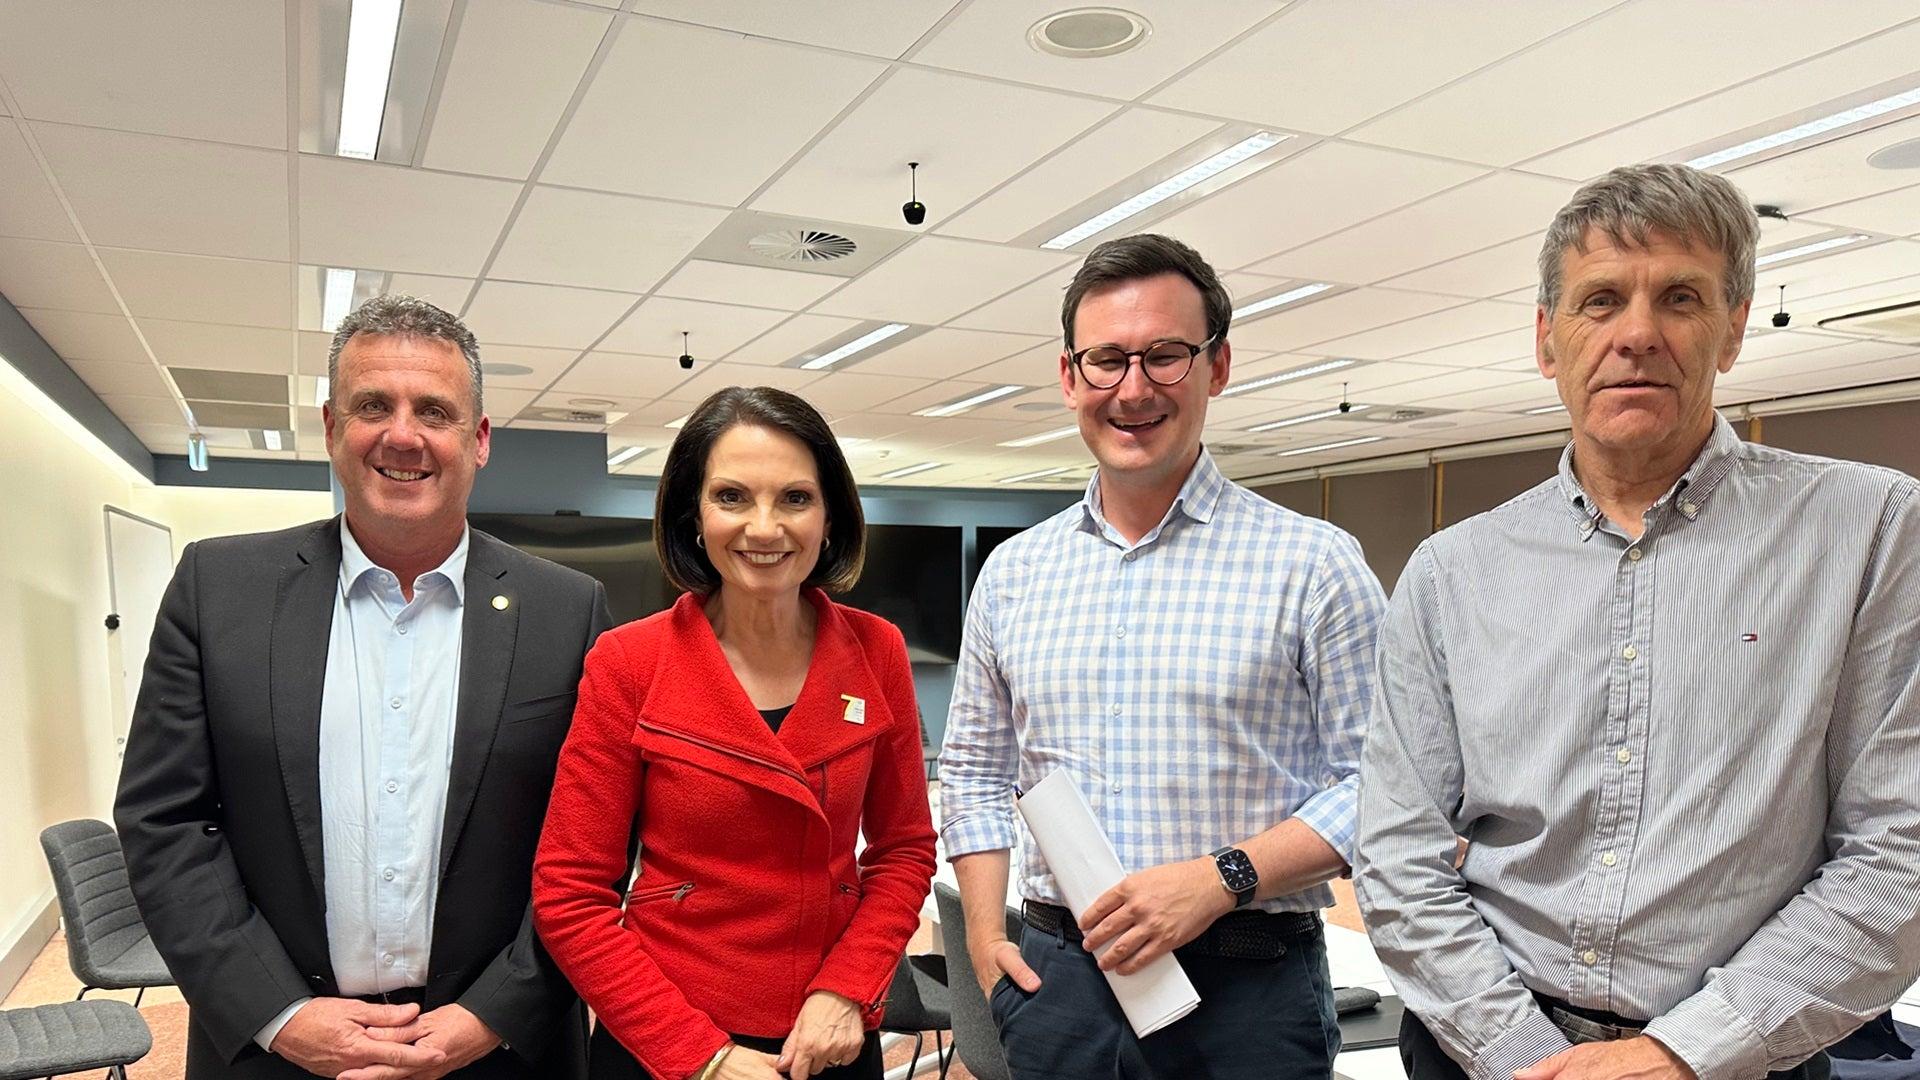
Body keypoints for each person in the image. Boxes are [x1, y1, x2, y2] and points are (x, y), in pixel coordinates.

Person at [1353, 163, 1920, 1080]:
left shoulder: (1871, 529)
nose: (1638, 334)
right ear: (1548, 340)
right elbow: (1397, 854)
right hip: (1480, 1053)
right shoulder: (1452, 572)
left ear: (1733, 328)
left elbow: (1900, 851)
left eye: (1682, 298)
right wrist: (1522, 1055)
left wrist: (1681, 1054)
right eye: (1601, 300)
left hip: (1738, 1058)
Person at [115, 295, 612, 1080]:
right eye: (373, 406)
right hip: (276, 1050)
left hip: (502, 1051)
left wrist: (495, 1012)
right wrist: (279, 1014)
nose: (403, 435)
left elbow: (596, 843)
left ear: (479, 440)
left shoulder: (569, 610)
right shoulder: (219, 587)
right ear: (331, 429)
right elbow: (164, 821)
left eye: (435, 411)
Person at [938, 233, 1387, 1079]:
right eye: (1106, 359)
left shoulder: (1315, 564)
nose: (1133, 388)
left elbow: (1389, 786)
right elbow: (972, 771)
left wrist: (1221, 878)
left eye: (1165, 356)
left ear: (1217, 367)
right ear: (1070, 375)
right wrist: (986, 935)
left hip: (1250, 985)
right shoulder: (1014, 574)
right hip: (1057, 986)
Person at [532, 386, 938, 1080]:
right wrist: (704, 1058)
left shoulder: (878, 652)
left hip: (828, 1035)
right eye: (732, 497)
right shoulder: (631, 662)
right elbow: (569, 892)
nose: (764, 527)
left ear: (830, 514)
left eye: (795, 498)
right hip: (670, 1041)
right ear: (694, 515)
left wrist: (848, 988)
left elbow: (902, 853)